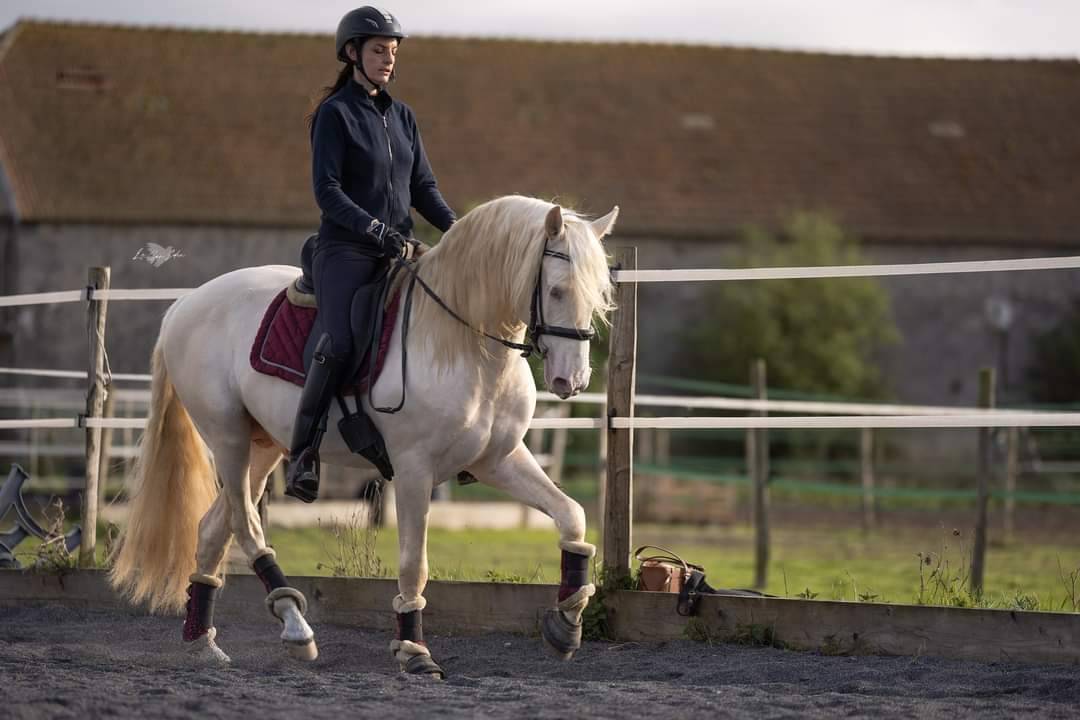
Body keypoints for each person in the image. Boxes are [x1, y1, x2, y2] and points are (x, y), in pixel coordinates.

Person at [285, 6, 456, 502]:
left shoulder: (403, 116)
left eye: (393, 51)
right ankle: (302, 453)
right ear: (352, 52)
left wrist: (464, 233)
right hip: (345, 250)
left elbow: (423, 187)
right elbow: (328, 191)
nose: (388, 59)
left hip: (398, 249)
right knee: (338, 340)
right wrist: (374, 228)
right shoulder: (334, 114)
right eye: (379, 50)